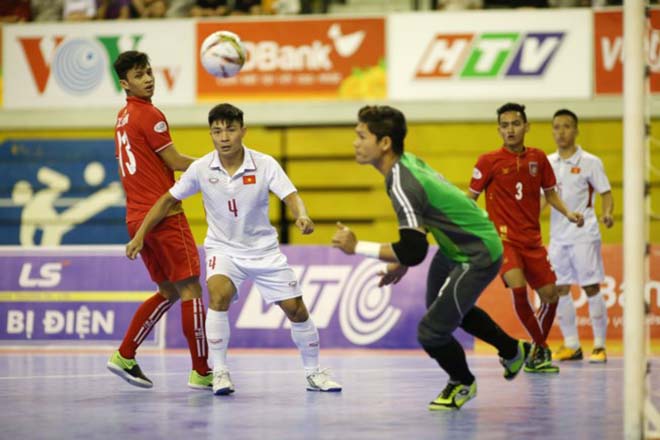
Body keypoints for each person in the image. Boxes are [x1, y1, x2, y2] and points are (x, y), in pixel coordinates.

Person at [126, 103, 342, 396]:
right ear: (211, 135)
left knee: (297, 310)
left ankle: (314, 373)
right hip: (223, 250)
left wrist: (301, 215)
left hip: (263, 251)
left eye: (230, 129)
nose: (224, 137)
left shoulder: (265, 164)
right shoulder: (201, 168)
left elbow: (290, 195)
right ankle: (220, 373)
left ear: (243, 131)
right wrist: (140, 235)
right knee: (218, 295)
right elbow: (166, 200)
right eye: (217, 131)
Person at [332, 105, 531, 411]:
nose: (355, 143)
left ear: (384, 143)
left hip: (476, 252)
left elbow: (415, 250)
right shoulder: (405, 164)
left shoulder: (402, 181)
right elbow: (420, 227)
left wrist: (357, 246)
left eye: (361, 136)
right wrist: (400, 264)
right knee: (443, 311)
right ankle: (512, 349)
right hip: (455, 245)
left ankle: (462, 382)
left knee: (431, 330)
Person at [106, 51, 212, 390]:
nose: (148, 79)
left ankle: (125, 354)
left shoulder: (123, 117)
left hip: (137, 217)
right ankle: (202, 371)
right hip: (165, 215)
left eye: (149, 72)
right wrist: (218, 165)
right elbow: (175, 160)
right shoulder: (150, 115)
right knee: (191, 288)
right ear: (125, 84)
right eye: (139, 75)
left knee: (167, 290)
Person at [467, 102, 584, 373]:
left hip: (532, 240)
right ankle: (540, 349)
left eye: (516, 124)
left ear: (526, 127)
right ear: (499, 130)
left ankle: (534, 352)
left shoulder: (538, 158)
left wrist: (568, 213)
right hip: (503, 240)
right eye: (505, 125)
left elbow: (551, 193)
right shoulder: (488, 161)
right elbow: (470, 199)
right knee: (519, 290)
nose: (510, 129)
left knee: (551, 296)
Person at [546, 109, 614, 363]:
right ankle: (571, 345)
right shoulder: (548, 163)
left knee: (591, 286)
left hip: (584, 234)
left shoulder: (590, 162)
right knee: (560, 288)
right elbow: (545, 199)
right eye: (556, 127)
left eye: (566, 126)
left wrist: (607, 213)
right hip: (557, 237)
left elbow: (606, 193)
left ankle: (599, 346)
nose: (561, 131)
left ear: (575, 130)